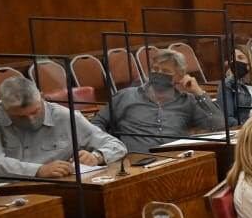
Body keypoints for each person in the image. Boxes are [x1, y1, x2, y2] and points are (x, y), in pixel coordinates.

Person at [0, 76, 127, 197]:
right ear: (2, 105)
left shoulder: (64, 116)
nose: (31, 119)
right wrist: (39, 170)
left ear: (41, 97)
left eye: (35, 111)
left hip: (47, 193)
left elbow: (116, 145)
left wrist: (97, 157)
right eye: (20, 116)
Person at [94, 48, 225, 153]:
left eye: (165, 71)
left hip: (175, 162)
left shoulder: (187, 102)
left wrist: (198, 92)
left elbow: (219, 126)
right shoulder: (125, 96)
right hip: (135, 164)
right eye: (155, 69)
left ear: (179, 76)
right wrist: (110, 149)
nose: (158, 73)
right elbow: (96, 124)